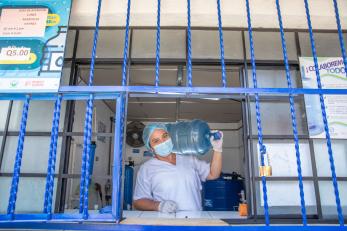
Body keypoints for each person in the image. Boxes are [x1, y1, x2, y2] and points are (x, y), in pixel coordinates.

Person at [133, 123, 223, 213]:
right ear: (151, 149)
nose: (163, 142)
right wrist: (158, 206)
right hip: (166, 223)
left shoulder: (189, 158)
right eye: (156, 141)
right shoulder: (146, 168)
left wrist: (217, 149)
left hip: (195, 221)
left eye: (165, 136)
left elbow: (213, 174)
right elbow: (138, 201)